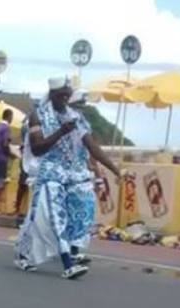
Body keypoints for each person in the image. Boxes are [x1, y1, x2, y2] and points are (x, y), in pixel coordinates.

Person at [13, 77, 121, 280]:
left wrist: (115, 169)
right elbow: (37, 148)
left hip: (73, 174)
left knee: (80, 207)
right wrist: (61, 132)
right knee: (54, 216)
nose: (65, 96)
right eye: (61, 92)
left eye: (67, 92)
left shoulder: (75, 117)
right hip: (50, 172)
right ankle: (68, 264)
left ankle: (27, 253)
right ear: (52, 93)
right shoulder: (38, 116)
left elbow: (92, 146)